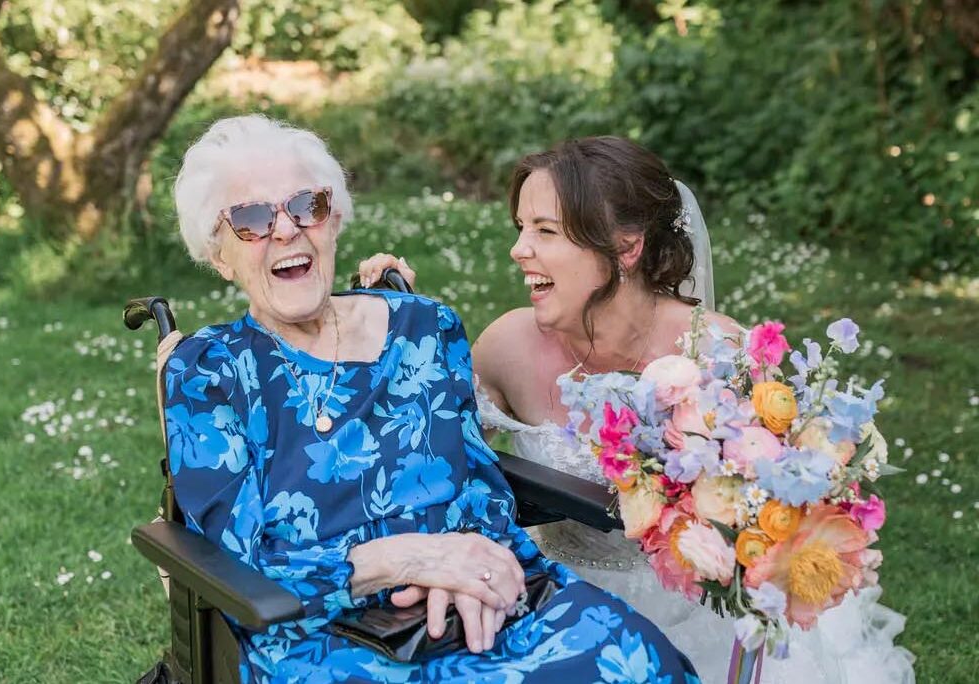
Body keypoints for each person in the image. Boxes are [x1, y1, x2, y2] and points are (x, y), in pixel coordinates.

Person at [165, 116, 701, 683]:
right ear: (219, 255)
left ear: (335, 220)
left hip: (482, 587)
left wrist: (475, 560)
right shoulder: (209, 371)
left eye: (307, 206)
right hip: (324, 632)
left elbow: (481, 485)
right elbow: (246, 561)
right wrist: (410, 559)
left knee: (642, 662)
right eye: (250, 218)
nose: (285, 230)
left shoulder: (425, 327)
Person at [360, 136, 915, 683]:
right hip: (558, 600)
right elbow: (418, 443)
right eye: (521, 228)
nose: (519, 249)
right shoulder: (510, 345)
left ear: (626, 248)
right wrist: (399, 325)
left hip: (702, 613)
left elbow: (779, 508)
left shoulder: (717, 355)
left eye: (546, 231)